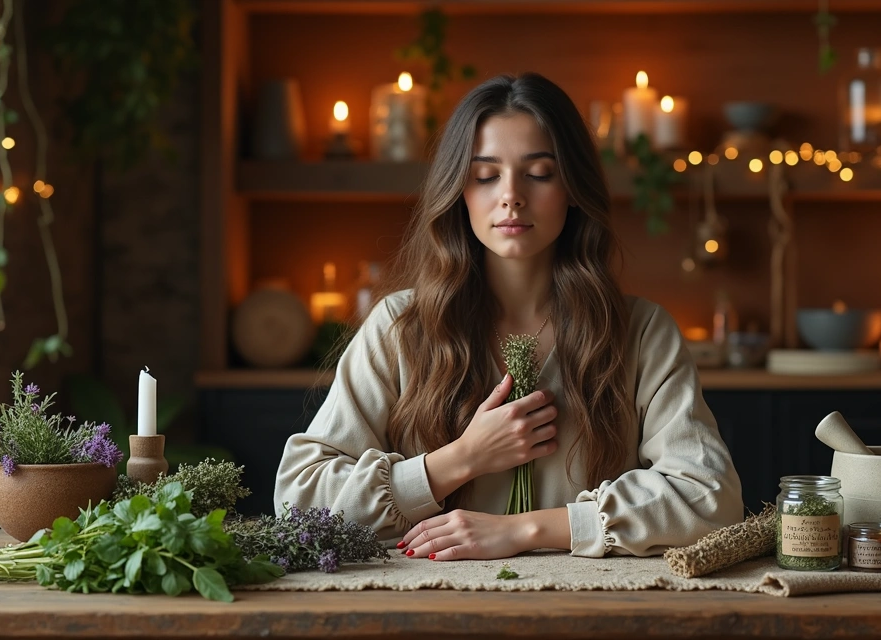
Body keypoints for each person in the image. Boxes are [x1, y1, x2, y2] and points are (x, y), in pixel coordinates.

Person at [275, 73, 742, 561]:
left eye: (539, 173)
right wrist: (461, 459)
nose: (511, 195)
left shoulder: (640, 331)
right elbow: (297, 501)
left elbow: (713, 497)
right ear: (460, 191)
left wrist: (526, 530)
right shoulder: (401, 326)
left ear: (573, 189)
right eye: (485, 175)